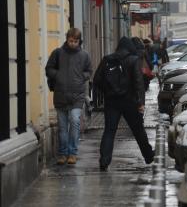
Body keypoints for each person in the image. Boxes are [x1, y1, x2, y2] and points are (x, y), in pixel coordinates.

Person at [93, 37, 154, 171]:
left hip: (111, 102)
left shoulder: (107, 59)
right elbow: (139, 83)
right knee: (138, 130)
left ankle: (104, 161)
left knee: (109, 131)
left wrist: (107, 91)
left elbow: (97, 79)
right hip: (130, 102)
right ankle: (149, 156)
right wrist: (140, 103)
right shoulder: (133, 60)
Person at [45, 28, 92, 165]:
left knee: (75, 121)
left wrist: (81, 77)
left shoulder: (84, 55)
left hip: (77, 95)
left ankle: (72, 153)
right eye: (70, 41)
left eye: (75, 41)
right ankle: (62, 153)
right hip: (61, 94)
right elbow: (49, 69)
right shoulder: (58, 53)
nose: (73, 44)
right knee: (63, 127)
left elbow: (89, 70)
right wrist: (58, 76)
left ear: (79, 41)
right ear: (67, 39)